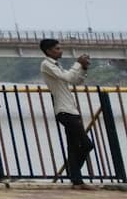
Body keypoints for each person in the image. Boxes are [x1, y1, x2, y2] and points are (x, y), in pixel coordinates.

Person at [39, 37, 94, 187]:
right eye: (57, 48)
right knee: (87, 144)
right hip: (64, 111)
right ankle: (73, 171)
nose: (60, 50)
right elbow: (69, 77)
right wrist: (77, 63)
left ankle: (76, 179)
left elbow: (76, 81)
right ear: (48, 51)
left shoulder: (57, 66)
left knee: (74, 146)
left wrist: (83, 68)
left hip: (71, 110)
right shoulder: (47, 65)